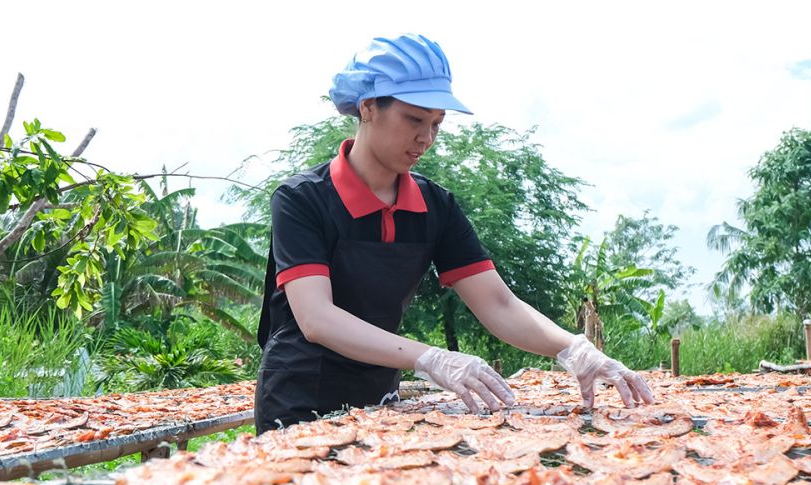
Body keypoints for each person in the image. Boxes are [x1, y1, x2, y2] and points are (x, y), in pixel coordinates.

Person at [255, 33, 653, 433]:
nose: (426, 138)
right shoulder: (301, 199)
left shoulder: (435, 206)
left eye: (436, 124)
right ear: (369, 107)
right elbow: (317, 318)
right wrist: (430, 357)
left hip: (379, 400)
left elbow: (497, 304)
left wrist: (572, 348)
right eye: (414, 119)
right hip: (298, 401)